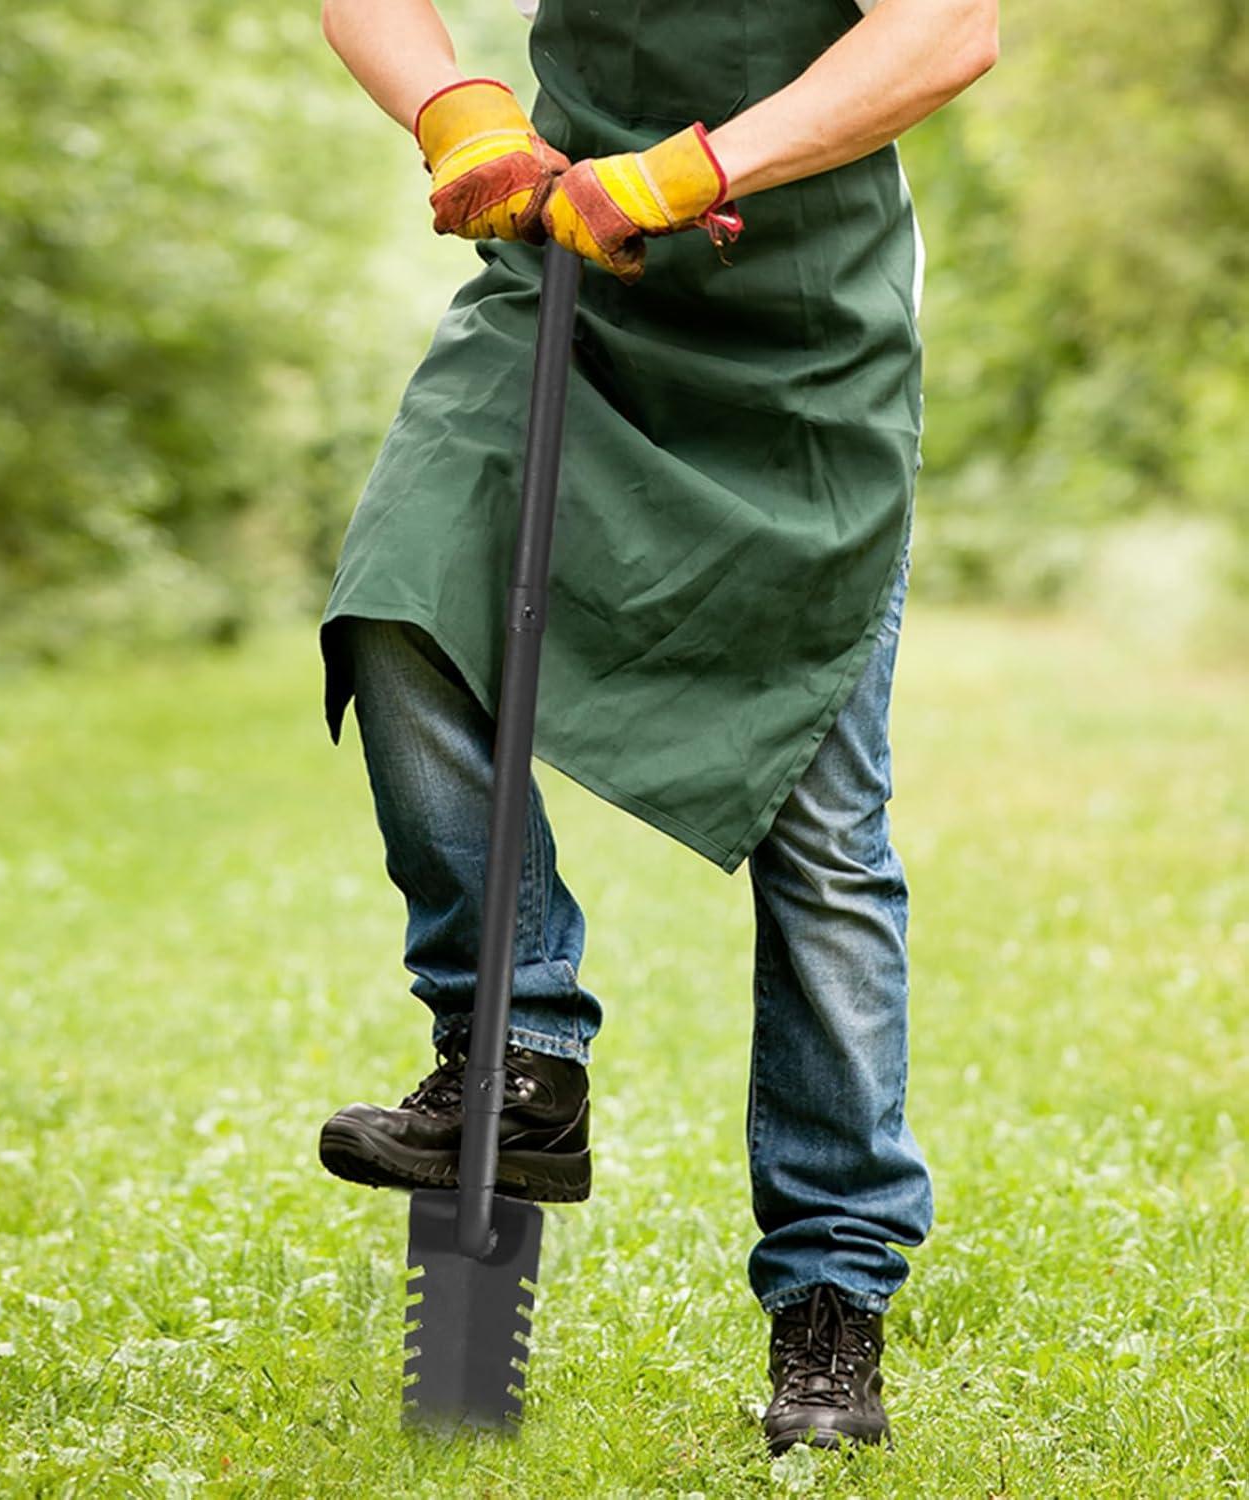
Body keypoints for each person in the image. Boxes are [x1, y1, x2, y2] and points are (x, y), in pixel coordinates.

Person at [313, 0, 997, 1455]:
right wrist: (455, 108)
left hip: (798, 337)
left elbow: (946, 33)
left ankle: (831, 1300)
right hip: (568, 272)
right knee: (396, 609)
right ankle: (517, 1054)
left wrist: (697, 170)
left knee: (819, 839)